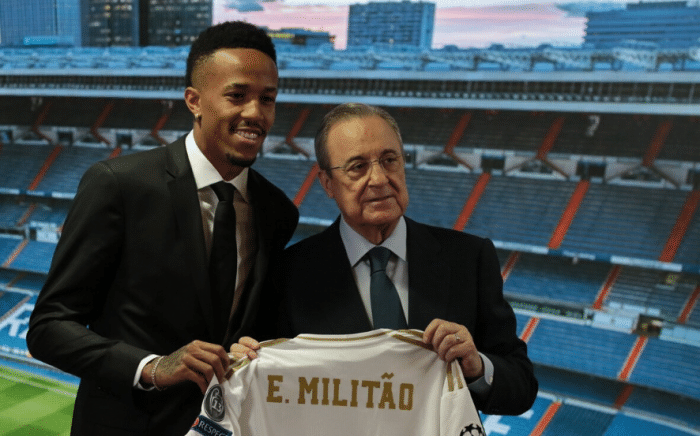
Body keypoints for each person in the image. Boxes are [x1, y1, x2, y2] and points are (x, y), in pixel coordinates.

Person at [26, 21, 298, 435]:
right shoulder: (119, 184)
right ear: (194, 100)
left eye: (268, 99)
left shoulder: (277, 211)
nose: (255, 113)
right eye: (237, 96)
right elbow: (48, 327)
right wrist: (152, 367)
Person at [237, 102, 537, 416]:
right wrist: (246, 365)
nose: (380, 179)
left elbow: (522, 385)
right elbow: (267, 395)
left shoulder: (470, 258)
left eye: (389, 160)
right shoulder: (287, 275)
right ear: (327, 183)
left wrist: (477, 367)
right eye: (357, 167)